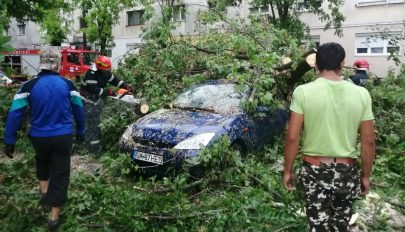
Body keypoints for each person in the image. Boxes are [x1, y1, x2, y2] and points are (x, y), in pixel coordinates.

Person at [283, 42, 376, 232]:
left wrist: (288, 170)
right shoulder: (361, 94)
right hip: (346, 171)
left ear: (316, 64)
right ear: (342, 64)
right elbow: (368, 141)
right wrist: (365, 176)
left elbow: (293, 137)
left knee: (317, 226)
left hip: (314, 171)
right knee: (340, 226)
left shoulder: (303, 92)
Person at [4, 47, 85, 231]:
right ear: (57, 64)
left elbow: (15, 114)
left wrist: (10, 139)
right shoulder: (68, 85)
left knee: (42, 162)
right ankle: (54, 219)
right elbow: (79, 111)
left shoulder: (28, 86)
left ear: (41, 63)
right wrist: (81, 131)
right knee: (60, 172)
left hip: (39, 137)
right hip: (63, 136)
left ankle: (44, 195)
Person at [80, 55, 132, 153]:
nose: (107, 72)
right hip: (85, 101)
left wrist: (126, 86)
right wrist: (108, 92)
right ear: (100, 69)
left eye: (108, 70)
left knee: (97, 121)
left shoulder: (105, 72)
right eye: (106, 70)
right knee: (91, 123)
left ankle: (95, 144)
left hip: (95, 100)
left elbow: (115, 80)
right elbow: (94, 89)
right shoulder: (91, 74)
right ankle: (91, 148)